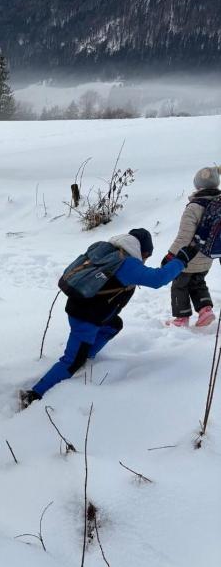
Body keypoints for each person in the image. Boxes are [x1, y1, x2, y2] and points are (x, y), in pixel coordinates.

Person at [20, 228, 197, 408]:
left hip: (78, 306)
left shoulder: (104, 249)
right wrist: (181, 261)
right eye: (146, 255)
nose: (145, 260)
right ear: (141, 250)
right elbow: (158, 279)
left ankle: (86, 354)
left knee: (114, 325)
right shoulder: (127, 264)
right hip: (87, 318)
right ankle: (34, 395)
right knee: (71, 361)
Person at [164, 166, 219, 328]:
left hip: (188, 256)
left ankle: (181, 318)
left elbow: (184, 237)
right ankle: (205, 310)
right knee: (198, 282)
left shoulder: (194, 207)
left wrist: (171, 256)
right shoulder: (219, 204)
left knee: (179, 285)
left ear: (198, 185)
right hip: (208, 256)